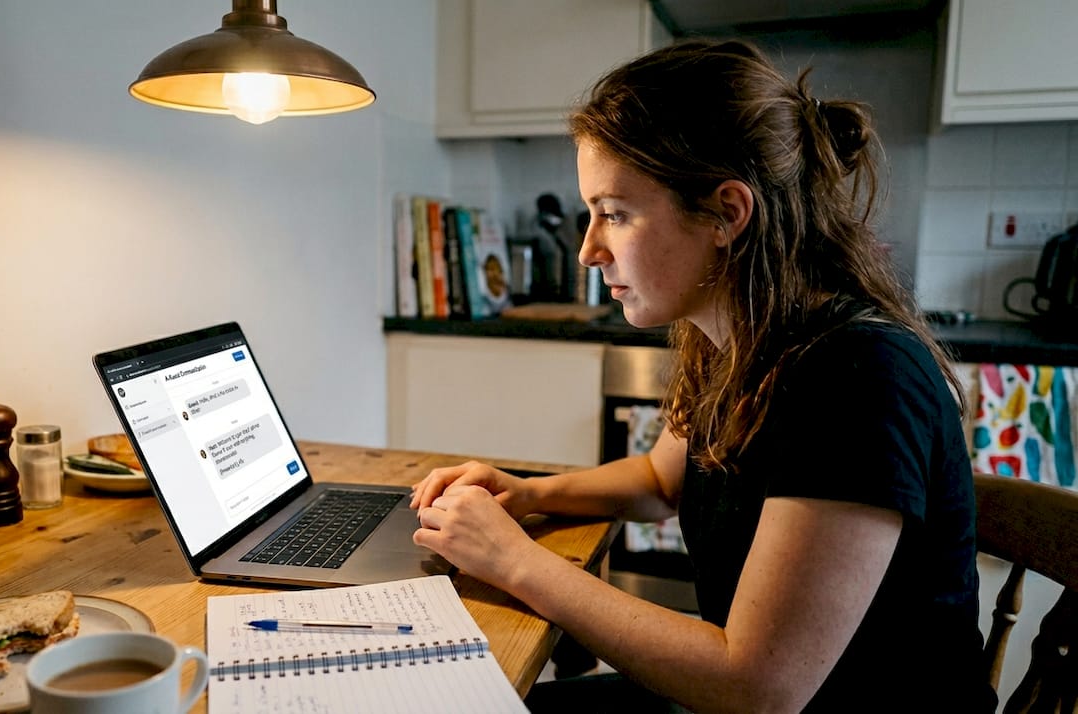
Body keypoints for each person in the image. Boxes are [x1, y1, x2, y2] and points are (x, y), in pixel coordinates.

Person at [410, 39, 995, 713]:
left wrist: (513, 559)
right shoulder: (735, 341)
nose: (589, 249)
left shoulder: (857, 377)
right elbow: (662, 480)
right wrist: (529, 493)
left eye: (616, 213)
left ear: (726, 213)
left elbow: (758, 686)